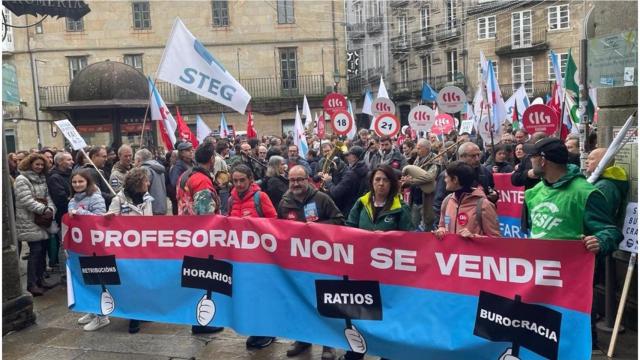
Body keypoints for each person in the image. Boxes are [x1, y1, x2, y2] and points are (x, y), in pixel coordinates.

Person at [522, 138, 623, 351]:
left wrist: (601, 241)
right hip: (538, 276)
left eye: (532, 157)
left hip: (572, 278)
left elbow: (611, 231)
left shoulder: (586, 193)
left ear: (542, 160)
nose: (529, 162)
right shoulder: (533, 193)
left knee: (571, 334)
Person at [278, 165, 343, 360]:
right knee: (300, 302)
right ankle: (303, 339)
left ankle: (328, 344)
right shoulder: (284, 202)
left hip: (322, 263)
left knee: (324, 302)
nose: (295, 183)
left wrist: (315, 228)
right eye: (292, 180)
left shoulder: (322, 199)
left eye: (299, 179)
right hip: (297, 264)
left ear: (307, 179)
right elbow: (279, 230)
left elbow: (340, 222)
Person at [226, 165, 278, 349]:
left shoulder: (260, 197)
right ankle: (256, 330)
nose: (239, 184)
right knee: (248, 296)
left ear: (250, 180)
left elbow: (274, 223)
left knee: (263, 296)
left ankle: (268, 332)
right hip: (241, 259)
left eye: (242, 180)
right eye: (235, 180)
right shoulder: (231, 200)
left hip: (261, 259)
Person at [106, 168, 153, 334]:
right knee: (132, 281)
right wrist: (110, 217)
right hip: (127, 248)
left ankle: (144, 310)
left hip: (145, 246)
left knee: (144, 280)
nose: (148, 183)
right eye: (146, 180)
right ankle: (134, 317)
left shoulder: (147, 198)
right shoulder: (119, 199)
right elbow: (110, 219)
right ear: (138, 183)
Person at [68, 170, 109, 331]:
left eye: (81, 182)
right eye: (74, 182)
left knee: (98, 279)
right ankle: (92, 309)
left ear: (88, 182)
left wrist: (80, 213)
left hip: (95, 244)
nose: (77, 185)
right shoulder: (72, 199)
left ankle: (102, 315)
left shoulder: (96, 197)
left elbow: (99, 218)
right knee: (87, 279)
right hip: (81, 245)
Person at [14, 153, 56, 297]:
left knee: (42, 250)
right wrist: (43, 209)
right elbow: (26, 200)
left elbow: (47, 196)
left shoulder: (42, 178)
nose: (39, 167)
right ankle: (31, 284)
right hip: (29, 220)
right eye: (37, 164)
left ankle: (40, 279)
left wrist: (50, 208)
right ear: (29, 164)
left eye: (42, 165)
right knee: (35, 252)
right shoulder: (22, 179)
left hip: (42, 220)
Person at [435, 161, 500, 239]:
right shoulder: (447, 200)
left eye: (446, 177)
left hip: (474, 251)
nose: (445, 180)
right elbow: (442, 225)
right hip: (451, 250)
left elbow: (495, 239)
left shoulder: (484, 205)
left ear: (455, 179)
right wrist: (441, 230)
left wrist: (473, 237)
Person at [347, 164, 412, 231]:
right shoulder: (361, 203)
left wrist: (385, 237)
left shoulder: (401, 208)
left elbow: (407, 237)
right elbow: (349, 229)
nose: (381, 183)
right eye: (377, 179)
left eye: (385, 180)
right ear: (372, 182)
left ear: (391, 183)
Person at [401, 139, 438, 231]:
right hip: (415, 198)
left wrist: (412, 181)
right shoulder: (417, 159)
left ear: (426, 149)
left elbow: (429, 177)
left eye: (419, 148)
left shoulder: (436, 160)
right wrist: (407, 180)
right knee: (413, 225)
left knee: (427, 225)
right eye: (417, 148)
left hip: (427, 199)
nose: (417, 150)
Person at [323, 146, 369, 216]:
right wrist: (336, 174)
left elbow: (336, 192)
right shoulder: (366, 169)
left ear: (354, 157)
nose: (347, 157)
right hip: (359, 207)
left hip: (348, 210)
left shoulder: (351, 174)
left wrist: (328, 181)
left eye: (348, 155)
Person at [135, 149, 167, 215]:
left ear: (138, 160)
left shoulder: (144, 169)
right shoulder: (158, 168)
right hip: (161, 206)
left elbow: (141, 189)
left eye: (134, 160)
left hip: (150, 208)